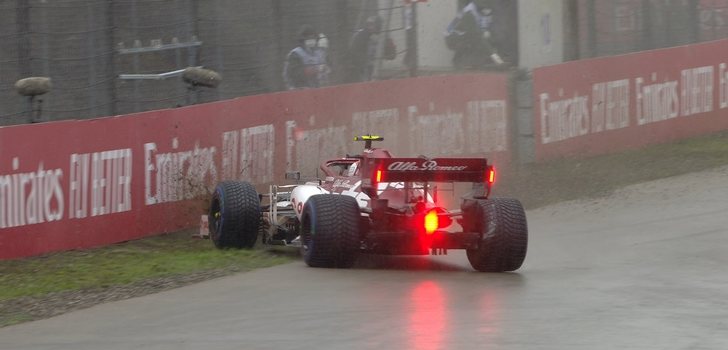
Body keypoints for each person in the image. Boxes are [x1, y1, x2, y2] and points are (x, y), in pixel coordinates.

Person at [445, 0, 505, 69]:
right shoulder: (469, 13)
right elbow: (477, 35)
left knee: (485, 37)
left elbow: (486, 31)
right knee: (476, 39)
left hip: (468, 34)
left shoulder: (486, 12)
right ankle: (460, 61)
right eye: (485, 8)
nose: (488, 11)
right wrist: (495, 56)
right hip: (452, 37)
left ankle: (477, 61)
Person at [345, 16, 396, 83]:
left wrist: (387, 42)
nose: (370, 27)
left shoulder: (384, 36)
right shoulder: (361, 35)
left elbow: (392, 55)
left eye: (372, 25)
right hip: (363, 67)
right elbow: (354, 52)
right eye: (369, 25)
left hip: (378, 67)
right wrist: (364, 62)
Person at [283, 25, 330, 90]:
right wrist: (315, 70)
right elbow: (295, 74)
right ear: (303, 40)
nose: (311, 41)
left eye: (313, 38)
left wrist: (325, 68)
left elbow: (328, 69)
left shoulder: (318, 53)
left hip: (318, 89)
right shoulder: (296, 53)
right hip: (300, 89)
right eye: (308, 39)